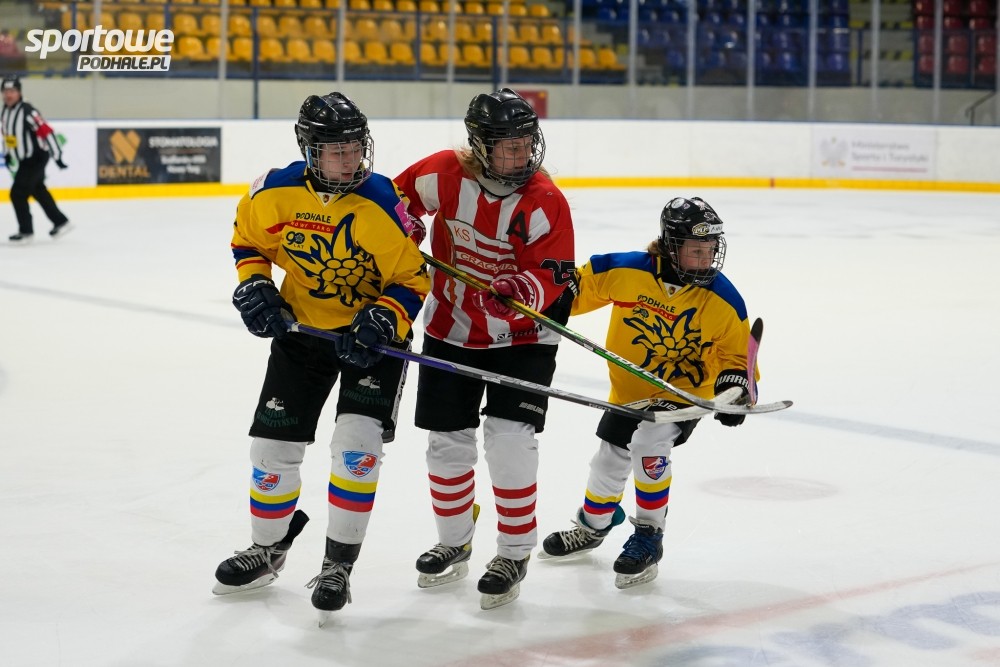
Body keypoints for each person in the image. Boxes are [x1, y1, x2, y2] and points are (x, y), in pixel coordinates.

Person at [212, 92, 430, 623]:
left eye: (356, 148)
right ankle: (267, 548)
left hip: (372, 343)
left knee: (356, 449)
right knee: (271, 448)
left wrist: (384, 318)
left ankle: (338, 566)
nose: (350, 160)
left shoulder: (383, 202)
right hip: (303, 333)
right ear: (309, 149)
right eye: (337, 151)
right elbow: (248, 243)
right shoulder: (273, 192)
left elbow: (413, 278)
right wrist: (256, 284)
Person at [393, 88, 576, 610]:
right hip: (450, 328)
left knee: (509, 439)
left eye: (526, 142)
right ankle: (454, 541)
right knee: (446, 442)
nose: (521, 153)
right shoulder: (443, 172)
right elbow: (391, 198)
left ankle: (514, 551)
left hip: (524, 338)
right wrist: (404, 222)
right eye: (508, 145)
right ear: (479, 145)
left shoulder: (545, 199)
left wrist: (520, 291)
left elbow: (554, 273)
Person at [538, 197, 755, 589]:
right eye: (695, 250)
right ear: (671, 246)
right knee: (607, 461)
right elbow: (580, 285)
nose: (705, 259)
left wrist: (733, 388)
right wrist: (557, 298)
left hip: (682, 395)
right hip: (630, 391)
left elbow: (738, 358)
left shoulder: (724, 299)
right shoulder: (626, 270)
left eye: (710, 250)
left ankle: (649, 535)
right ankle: (593, 527)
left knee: (649, 445)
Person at [1, 75, 71, 244]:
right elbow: (7, 134)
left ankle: (26, 232)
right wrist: (8, 153)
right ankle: (61, 221)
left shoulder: (28, 111)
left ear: (19, 92)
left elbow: (46, 132)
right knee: (38, 189)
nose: (8, 95)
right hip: (25, 159)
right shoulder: (5, 111)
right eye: (5, 91)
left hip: (36, 158)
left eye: (12, 91)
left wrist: (57, 156)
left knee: (17, 193)